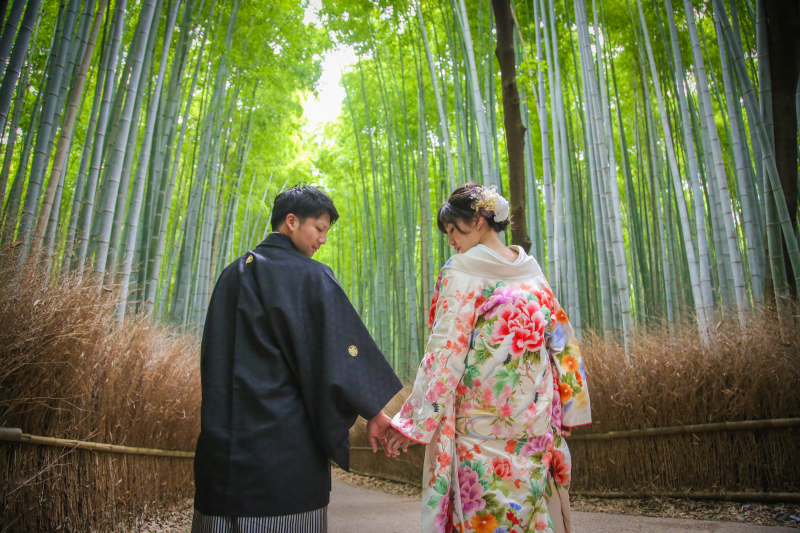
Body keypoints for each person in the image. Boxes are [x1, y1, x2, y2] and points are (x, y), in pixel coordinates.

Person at [192, 185, 402, 533]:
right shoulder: (312, 276)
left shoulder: (230, 275)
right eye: (319, 229)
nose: (322, 240)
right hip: (285, 455)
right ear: (291, 221)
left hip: (221, 455)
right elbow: (338, 356)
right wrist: (374, 411)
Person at [386, 183, 591, 533]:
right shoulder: (530, 270)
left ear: (480, 220)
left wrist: (415, 420)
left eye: (454, 229)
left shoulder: (462, 270)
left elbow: (446, 351)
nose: (450, 239)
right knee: (527, 515)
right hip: (534, 421)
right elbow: (562, 340)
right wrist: (569, 405)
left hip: (481, 427)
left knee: (487, 514)